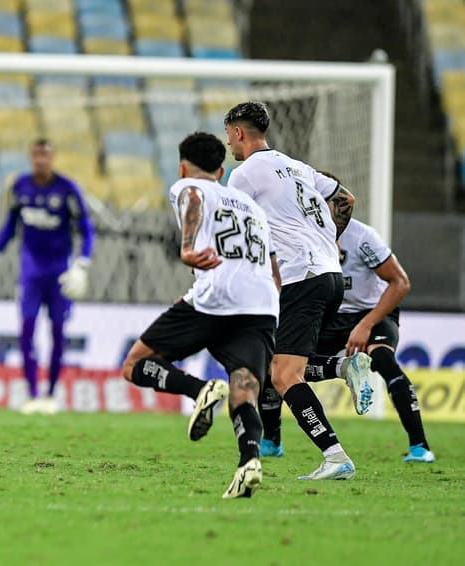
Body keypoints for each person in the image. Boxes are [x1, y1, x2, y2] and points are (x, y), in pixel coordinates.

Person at [122, 132, 280, 499]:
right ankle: (249, 462)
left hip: (217, 297)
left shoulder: (189, 186)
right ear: (223, 170)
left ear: (182, 167)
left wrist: (189, 248)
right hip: (261, 303)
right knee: (245, 385)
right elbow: (274, 269)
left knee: (135, 364)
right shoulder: (251, 206)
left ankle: (199, 390)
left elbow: (193, 195)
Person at [224, 101, 373, 480]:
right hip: (329, 274)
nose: (229, 144)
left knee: (284, 375)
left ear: (238, 132)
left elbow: (240, 237)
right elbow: (346, 199)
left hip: (300, 277)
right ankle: (343, 366)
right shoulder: (297, 166)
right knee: (282, 365)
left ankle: (335, 455)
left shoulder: (244, 175)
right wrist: (329, 240)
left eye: (229, 135)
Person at [260, 200, 434, 463]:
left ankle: (420, 447)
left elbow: (400, 283)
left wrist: (366, 325)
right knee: (280, 364)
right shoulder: (299, 234)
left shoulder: (363, 237)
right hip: (330, 313)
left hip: (371, 313)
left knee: (383, 360)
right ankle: (272, 440)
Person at [0, 138, 94, 415]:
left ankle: (51, 394)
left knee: (57, 332)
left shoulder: (67, 189)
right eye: (36, 156)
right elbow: (10, 225)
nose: (40, 161)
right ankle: (31, 394)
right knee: (27, 331)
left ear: (52, 158)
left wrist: (82, 264)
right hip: (30, 272)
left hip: (58, 273)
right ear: (31, 158)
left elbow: (86, 229)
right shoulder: (20, 187)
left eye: (45, 156)